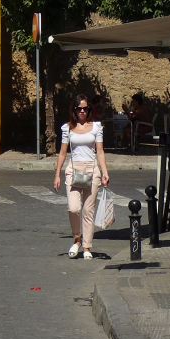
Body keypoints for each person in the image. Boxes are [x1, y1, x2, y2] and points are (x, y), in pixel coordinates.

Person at [52, 94, 111, 260]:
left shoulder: (96, 127)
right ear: (75, 110)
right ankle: (77, 238)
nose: (83, 111)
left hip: (92, 170)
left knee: (87, 210)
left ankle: (86, 246)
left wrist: (105, 171)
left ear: (89, 110)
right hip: (73, 170)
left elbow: (100, 151)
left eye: (86, 108)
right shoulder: (67, 128)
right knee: (74, 208)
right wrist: (57, 174)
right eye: (80, 109)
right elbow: (63, 153)